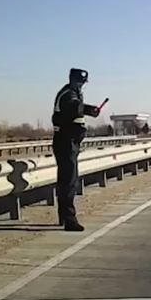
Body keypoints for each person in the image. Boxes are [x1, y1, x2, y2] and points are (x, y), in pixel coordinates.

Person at [50, 67, 103, 232]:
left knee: (68, 180)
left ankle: (64, 217)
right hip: (66, 142)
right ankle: (69, 219)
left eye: (83, 83)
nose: (81, 85)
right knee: (69, 181)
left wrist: (89, 110)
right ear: (72, 80)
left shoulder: (73, 94)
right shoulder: (68, 95)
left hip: (70, 142)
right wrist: (89, 110)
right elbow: (74, 107)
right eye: (80, 82)